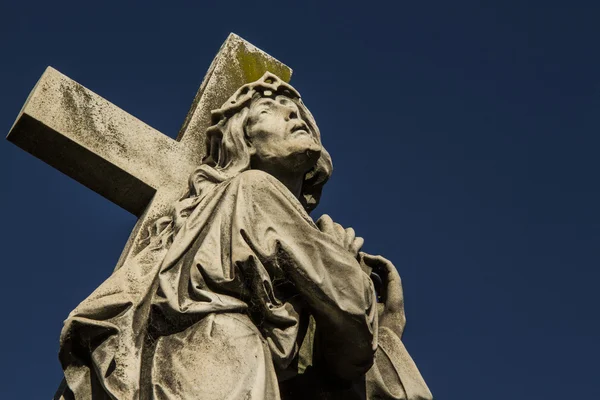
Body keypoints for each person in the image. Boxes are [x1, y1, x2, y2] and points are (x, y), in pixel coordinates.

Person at [58, 73, 433, 399]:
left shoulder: (228, 205)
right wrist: (344, 265)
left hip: (192, 361)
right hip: (222, 359)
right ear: (245, 142)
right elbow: (350, 315)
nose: (292, 114)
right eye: (269, 109)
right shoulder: (253, 189)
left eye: (297, 111)